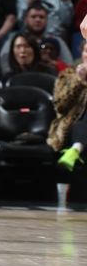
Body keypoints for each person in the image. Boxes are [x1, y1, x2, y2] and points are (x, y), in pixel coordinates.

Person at [48, 41, 87, 173]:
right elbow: (60, 106)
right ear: (82, 54)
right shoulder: (68, 74)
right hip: (70, 128)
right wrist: (79, 81)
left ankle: (76, 150)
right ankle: (75, 148)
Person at [0, 3, 73, 70]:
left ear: (47, 20)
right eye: (33, 17)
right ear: (26, 20)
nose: (38, 20)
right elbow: (4, 60)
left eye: (41, 17)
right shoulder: (16, 39)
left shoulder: (56, 41)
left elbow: (69, 65)